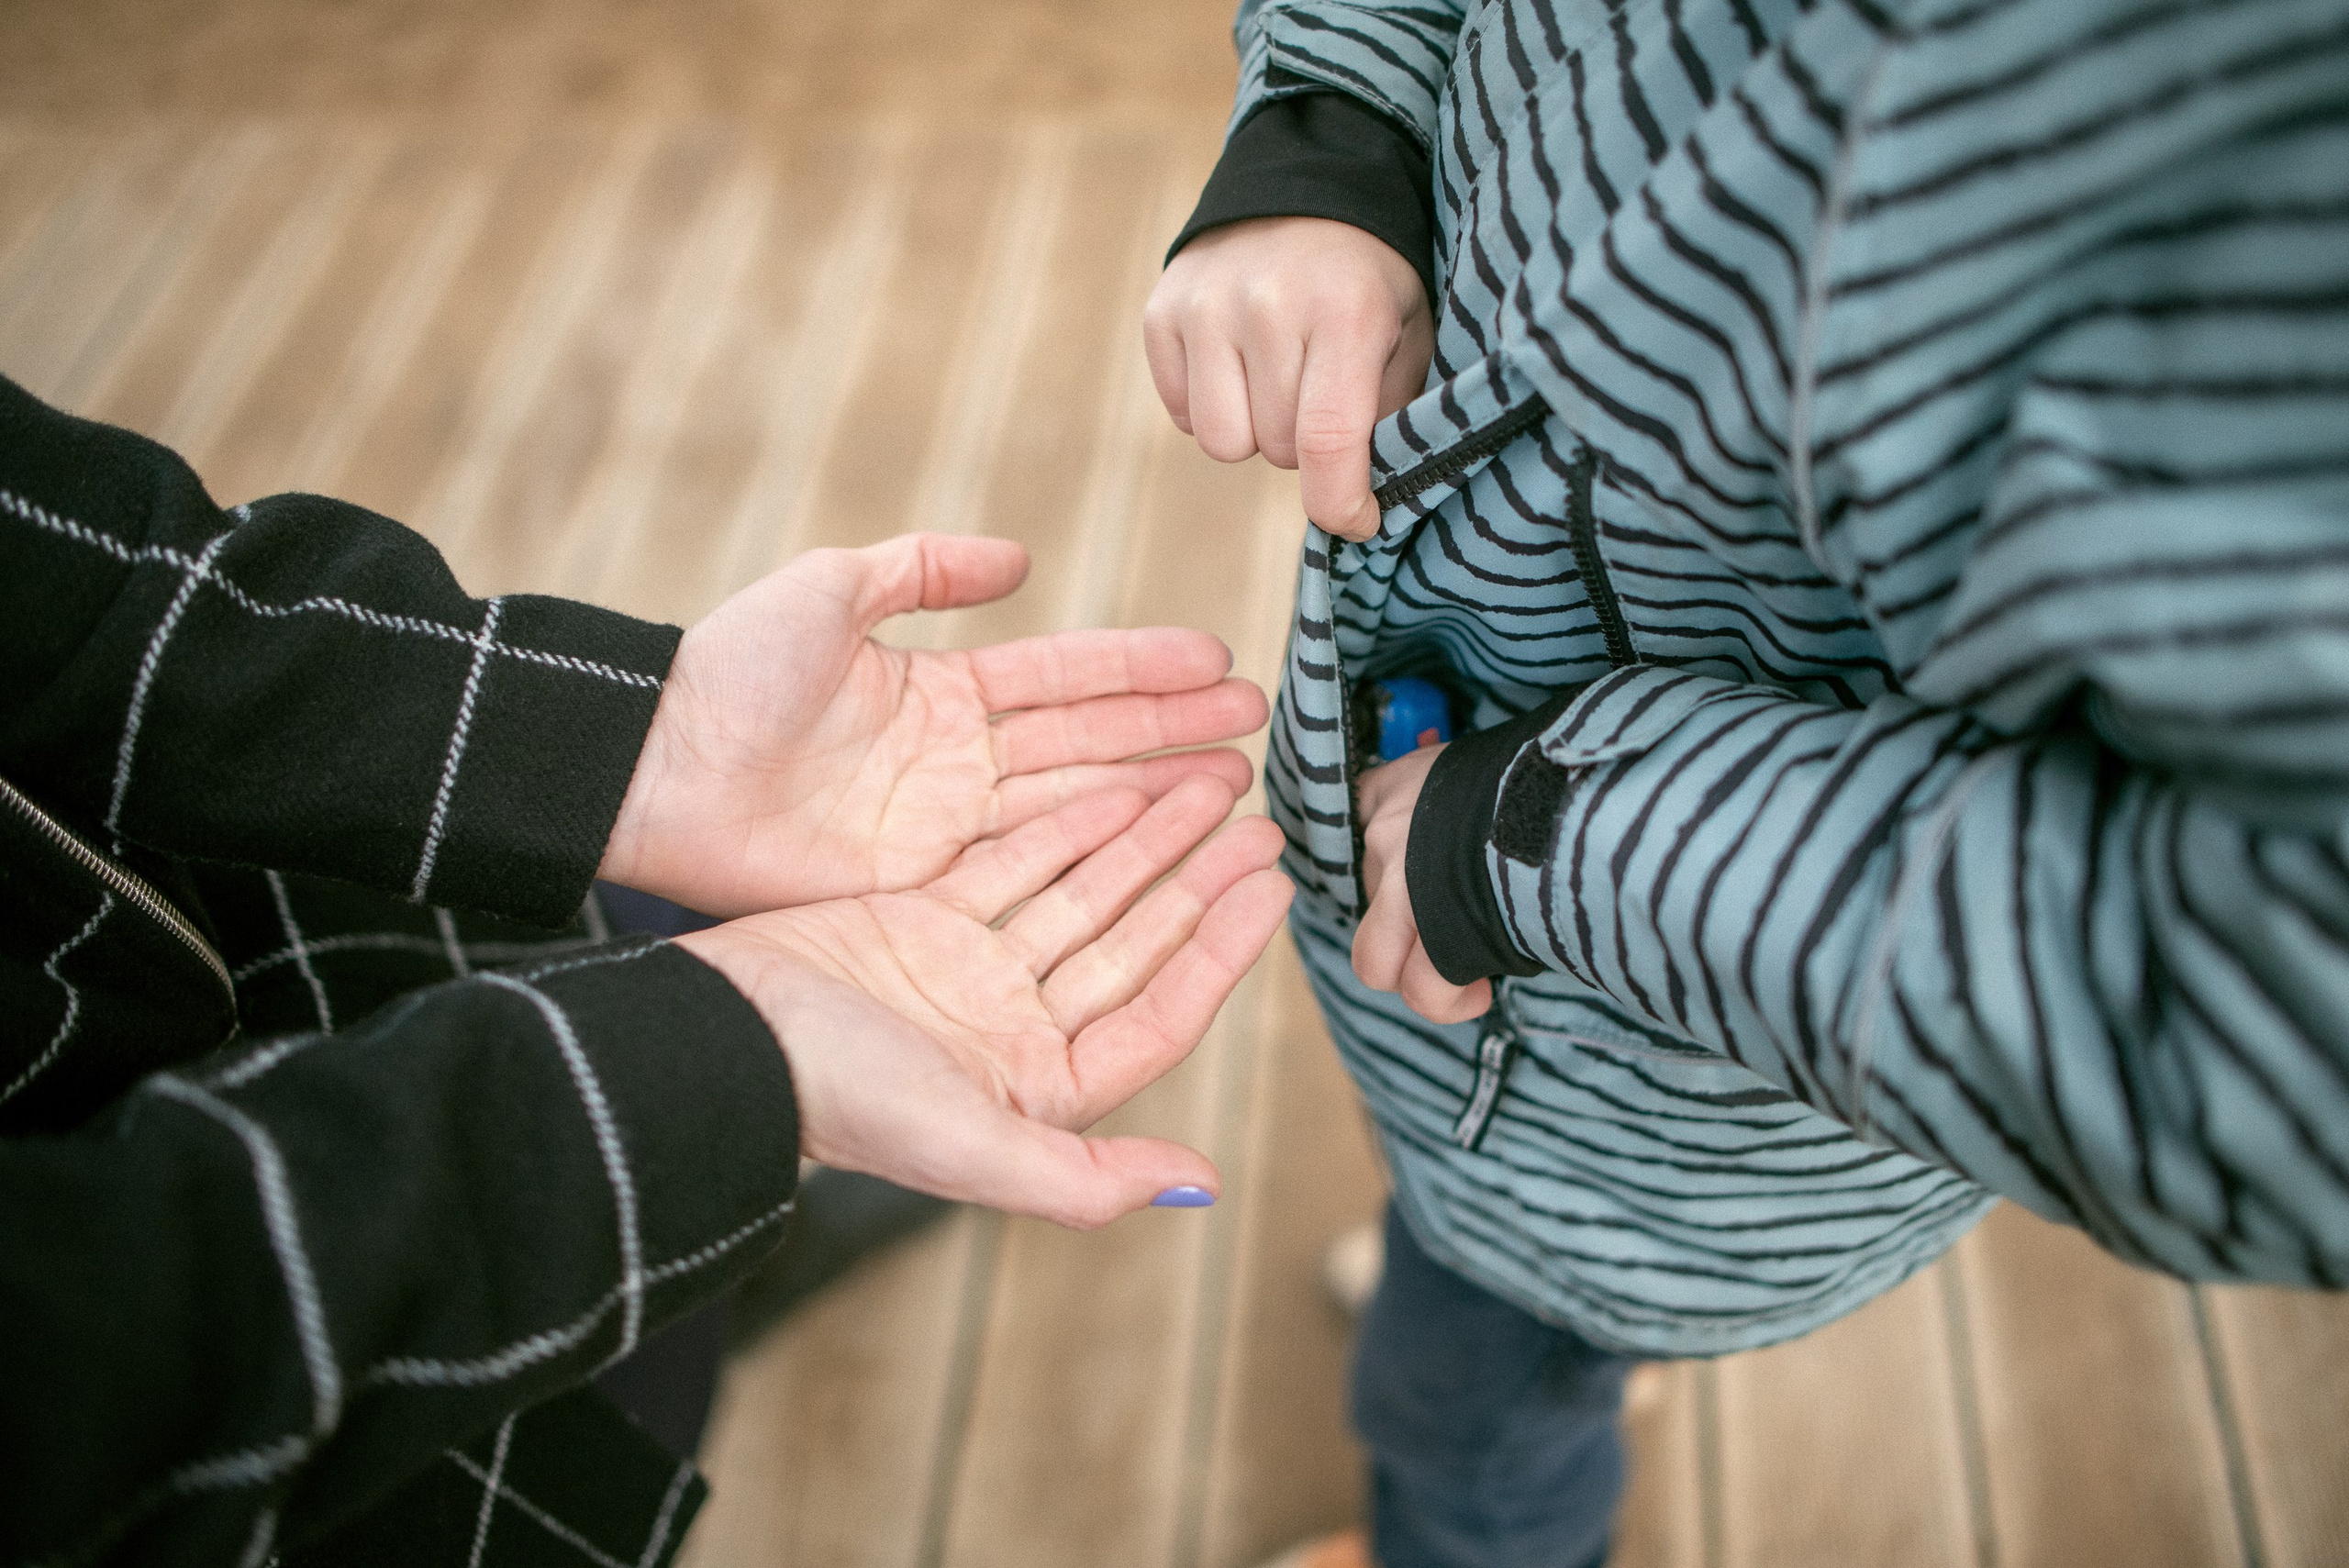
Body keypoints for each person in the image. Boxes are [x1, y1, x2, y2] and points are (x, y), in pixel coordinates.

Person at [1143, 1, 2349, 1564]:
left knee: (1463, 1413)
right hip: (1484, 1011)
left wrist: (1527, 836)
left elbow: (2281, 1031)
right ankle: (1519, 1280)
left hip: (1668, 1116)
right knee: (1480, 1266)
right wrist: (1334, 127)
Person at [0, 372, 1293, 1567]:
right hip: (343, 1377)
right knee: (679, 1200)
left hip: (276, 894)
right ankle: (751, 1171)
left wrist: (621, 741)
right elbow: (97, 1365)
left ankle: (761, 1192)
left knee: (657, 1002)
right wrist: (699, 1080)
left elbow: (55, 550)